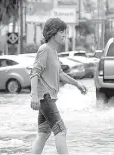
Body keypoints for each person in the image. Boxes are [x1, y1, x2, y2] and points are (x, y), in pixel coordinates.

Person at [30, 18, 87, 154]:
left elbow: (61, 74)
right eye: (61, 32)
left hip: (49, 98)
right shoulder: (44, 50)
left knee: (44, 133)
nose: (64, 35)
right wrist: (34, 96)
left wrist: (77, 84)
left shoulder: (53, 52)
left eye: (65, 32)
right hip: (45, 97)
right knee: (61, 131)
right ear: (53, 32)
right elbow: (34, 73)